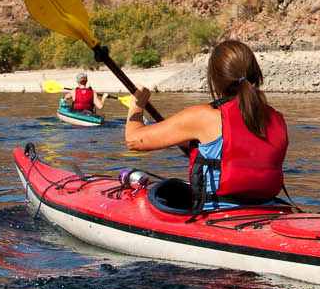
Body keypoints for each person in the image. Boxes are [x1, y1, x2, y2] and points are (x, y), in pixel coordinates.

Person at [122, 40, 286, 206]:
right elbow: (240, 152)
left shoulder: (204, 117)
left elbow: (134, 140)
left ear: (215, 79)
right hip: (269, 211)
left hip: (218, 216)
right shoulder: (276, 119)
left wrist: (137, 104)